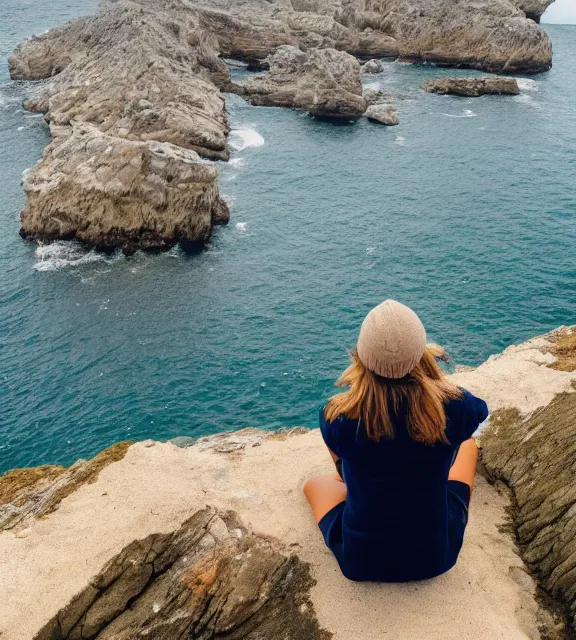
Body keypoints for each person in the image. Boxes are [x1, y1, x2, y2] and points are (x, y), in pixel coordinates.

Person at [304, 299, 488, 582]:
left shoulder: (337, 417)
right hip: (435, 556)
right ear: (423, 353)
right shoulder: (456, 407)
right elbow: (479, 413)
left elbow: (338, 457)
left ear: (360, 358)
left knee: (314, 484)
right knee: (468, 445)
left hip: (362, 561)